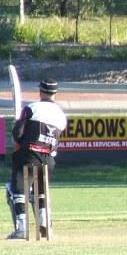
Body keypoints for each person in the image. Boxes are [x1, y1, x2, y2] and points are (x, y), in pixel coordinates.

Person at [6, 79, 67, 239]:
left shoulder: (31, 108)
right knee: (40, 191)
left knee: (15, 190)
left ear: (40, 92)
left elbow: (17, 134)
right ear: (55, 94)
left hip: (28, 156)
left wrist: (17, 135)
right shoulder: (61, 115)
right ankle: (45, 224)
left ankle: (21, 229)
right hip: (48, 159)